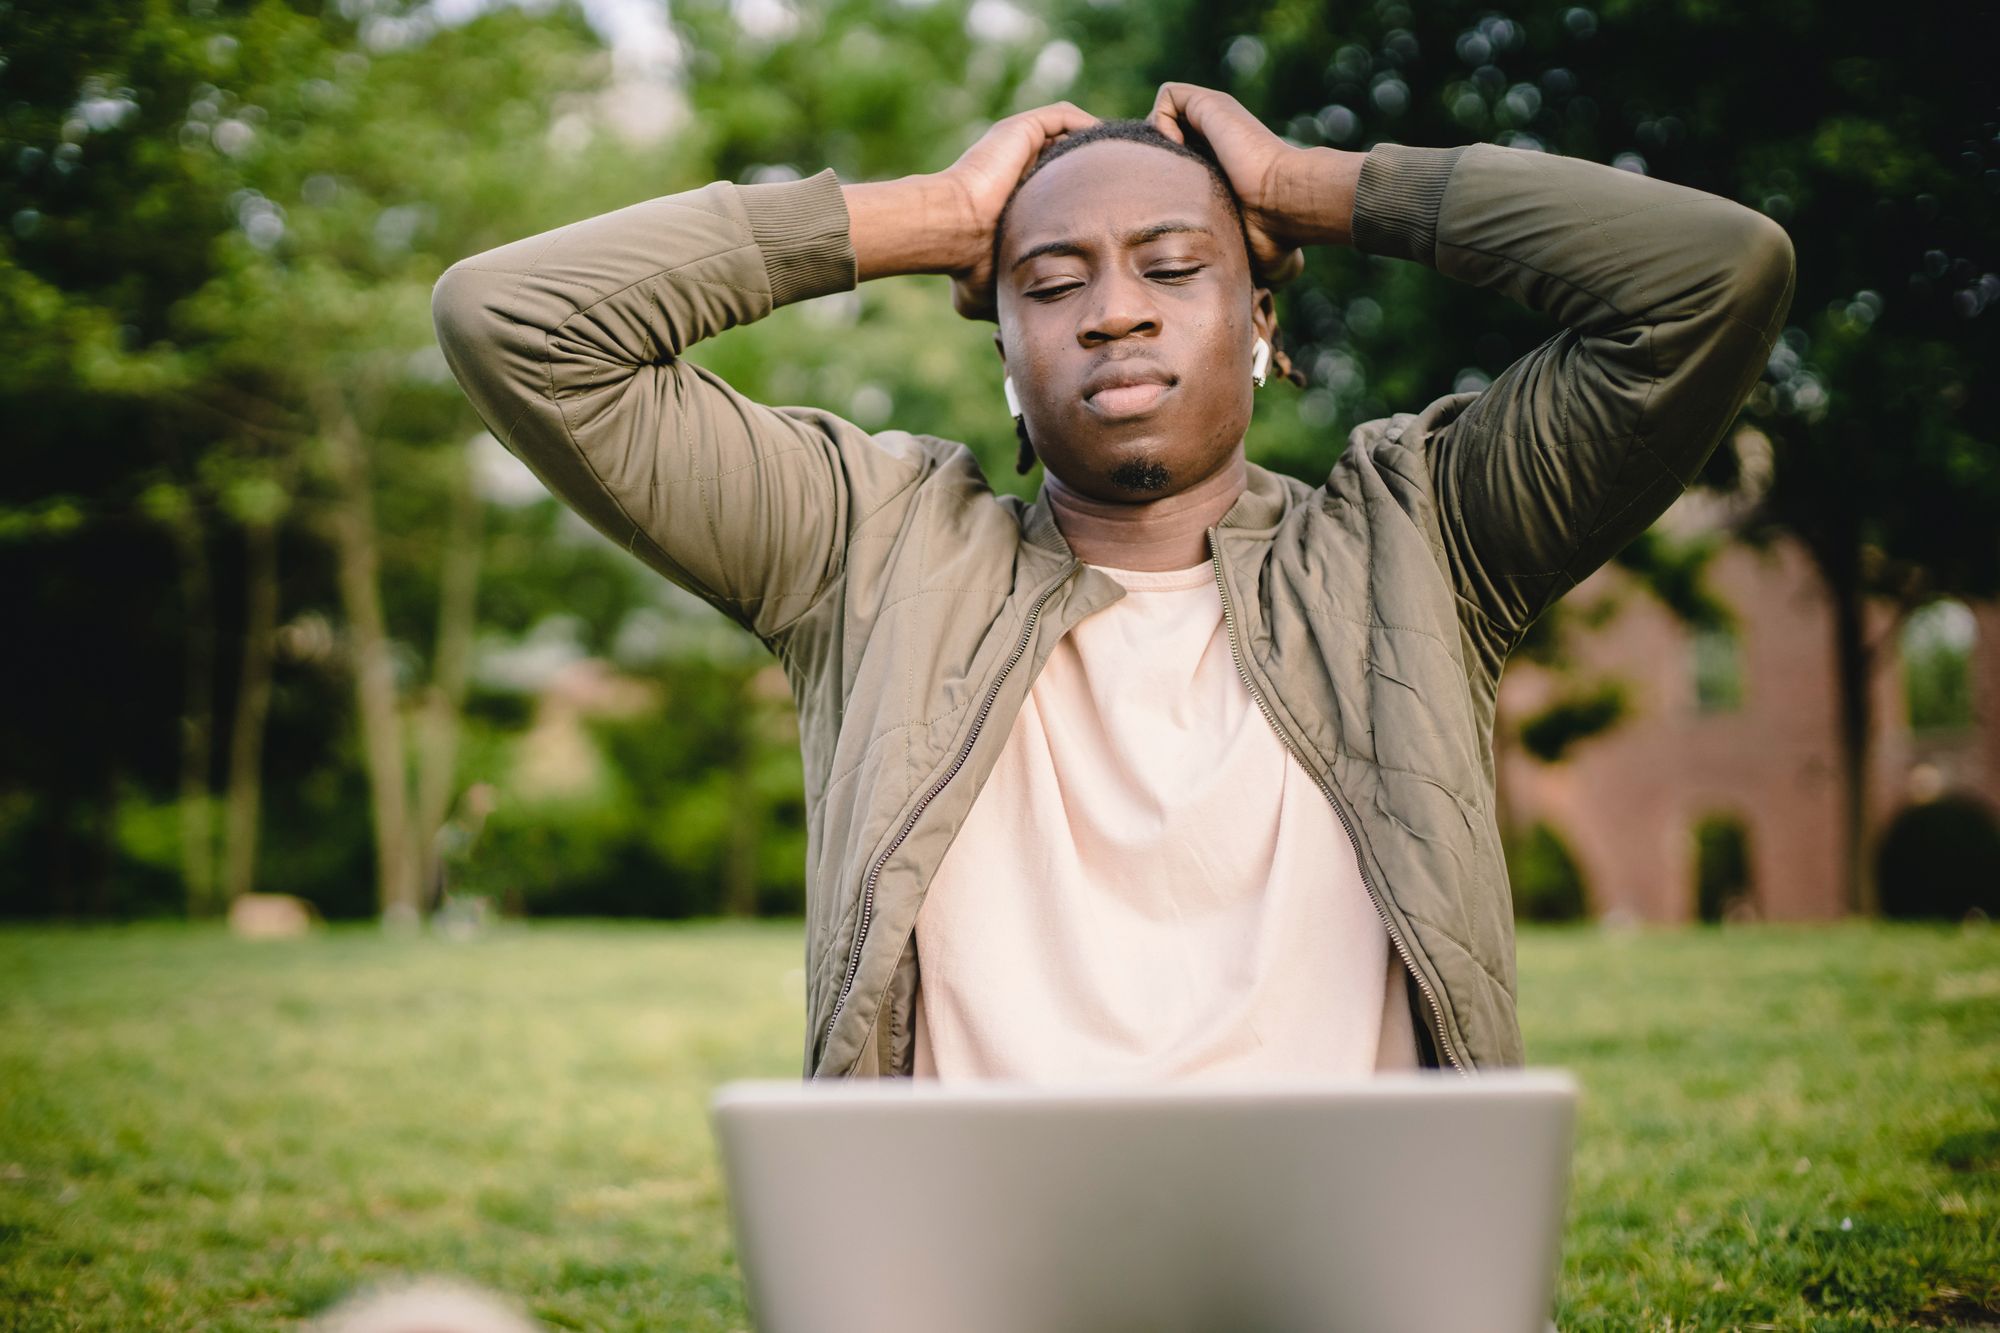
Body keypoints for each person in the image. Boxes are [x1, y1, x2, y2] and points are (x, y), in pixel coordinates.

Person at [431, 82, 1796, 1081]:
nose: (1117, 308)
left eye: (1176, 265)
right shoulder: (865, 547)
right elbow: (516, 324)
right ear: (1004, 349)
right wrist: (933, 213)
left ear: (1262, 320)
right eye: (1050, 279)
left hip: (1344, 1269)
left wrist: (1308, 185)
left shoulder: (1422, 539)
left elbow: (1711, 281)